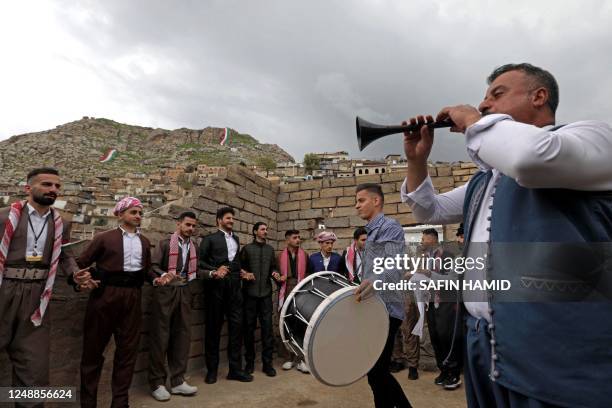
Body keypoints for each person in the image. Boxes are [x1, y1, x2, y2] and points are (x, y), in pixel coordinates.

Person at [401, 63, 612, 407]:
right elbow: (429, 211)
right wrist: (417, 161)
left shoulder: (595, 137)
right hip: (484, 346)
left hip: (559, 355)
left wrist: (472, 121)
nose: (484, 105)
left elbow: (531, 157)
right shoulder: (486, 178)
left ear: (539, 96)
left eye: (497, 95)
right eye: (483, 100)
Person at [0, 168, 88, 407]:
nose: (53, 190)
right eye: (47, 184)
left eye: (57, 186)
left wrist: (75, 274)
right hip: (4, 291)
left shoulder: (62, 222)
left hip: (38, 299)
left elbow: (65, 254)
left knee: (34, 369)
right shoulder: (4, 216)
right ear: (28, 188)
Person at [76, 196, 154, 408]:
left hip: (132, 298)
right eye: (133, 212)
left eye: (140, 213)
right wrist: (82, 279)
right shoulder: (104, 238)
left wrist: (158, 278)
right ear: (120, 215)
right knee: (93, 351)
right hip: (104, 297)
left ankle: (120, 403)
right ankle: (88, 403)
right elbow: (80, 264)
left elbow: (147, 271)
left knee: (127, 352)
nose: (138, 216)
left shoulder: (145, 242)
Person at [354, 183, 412, 408]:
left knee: (377, 372)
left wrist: (373, 282)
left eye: (361, 200)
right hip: (375, 308)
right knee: (376, 374)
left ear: (376, 201)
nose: (356, 205)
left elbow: (393, 266)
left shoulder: (390, 227)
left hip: (387, 309)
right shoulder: (371, 232)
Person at [148, 211, 199, 401]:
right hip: (165, 292)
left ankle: (178, 381)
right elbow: (152, 266)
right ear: (178, 225)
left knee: (182, 336)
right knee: (161, 336)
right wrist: (165, 276)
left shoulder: (194, 246)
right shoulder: (164, 244)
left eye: (193, 226)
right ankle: (157, 383)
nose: (191, 229)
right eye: (187, 225)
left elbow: (194, 270)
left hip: (185, 291)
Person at [198, 207, 253, 384]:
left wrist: (242, 272)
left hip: (235, 289)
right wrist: (215, 270)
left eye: (232, 218)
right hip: (215, 288)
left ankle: (235, 370)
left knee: (236, 328)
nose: (231, 221)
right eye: (228, 218)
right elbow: (199, 262)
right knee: (213, 329)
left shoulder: (236, 239)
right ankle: (212, 371)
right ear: (218, 220)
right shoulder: (209, 239)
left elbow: (234, 261)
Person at [420, 229, 462, 390]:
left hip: (446, 303)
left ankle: (454, 373)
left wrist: (429, 274)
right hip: (431, 303)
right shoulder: (426, 258)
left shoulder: (449, 257)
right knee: (435, 337)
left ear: (432, 240)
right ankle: (443, 370)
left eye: (423, 239)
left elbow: (451, 281)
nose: (421, 242)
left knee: (447, 338)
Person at [239, 221, 278, 377]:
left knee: (267, 329)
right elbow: (239, 268)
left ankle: (267, 364)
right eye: (262, 229)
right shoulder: (247, 249)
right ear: (255, 232)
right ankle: (249, 363)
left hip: (266, 296)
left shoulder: (270, 250)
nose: (265, 231)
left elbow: (273, 267)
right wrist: (245, 274)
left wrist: (275, 273)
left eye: (266, 229)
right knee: (248, 329)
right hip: (249, 295)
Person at [275, 229, 309, 373]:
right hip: (286, 288)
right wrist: (278, 277)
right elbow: (274, 274)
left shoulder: (305, 255)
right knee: (285, 323)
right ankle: (288, 358)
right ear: (287, 240)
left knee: (300, 323)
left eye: (299, 237)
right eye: (295, 237)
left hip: (301, 289)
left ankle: (301, 359)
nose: (298, 240)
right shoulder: (279, 256)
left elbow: (309, 273)